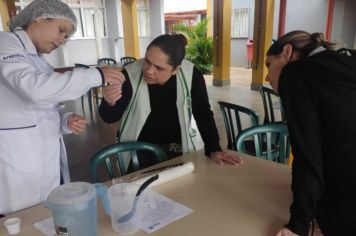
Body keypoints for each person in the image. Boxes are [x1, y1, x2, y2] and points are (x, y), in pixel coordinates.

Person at [0, 0, 124, 215]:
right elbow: (33, 89)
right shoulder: (5, 43)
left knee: (44, 215)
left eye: (67, 37)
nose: (62, 40)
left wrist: (65, 120)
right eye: (61, 30)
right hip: (15, 162)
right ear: (39, 17)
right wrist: (97, 74)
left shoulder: (40, 63)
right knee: (20, 219)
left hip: (44, 160)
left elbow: (41, 109)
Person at [99, 34, 243, 170]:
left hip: (176, 149)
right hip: (137, 150)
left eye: (159, 68)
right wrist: (109, 102)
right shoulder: (129, 74)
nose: (149, 71)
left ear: (176, 69)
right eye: (147, 61)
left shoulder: (191, 75)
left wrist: (214, 148)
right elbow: (110, 117)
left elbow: (203, 113)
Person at [265, 30, 356, 236]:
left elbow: (308, 157)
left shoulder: (296, 75)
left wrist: (298, 224)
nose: (267, 76)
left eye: (269, 64)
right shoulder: (347, 59)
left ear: (287, 52)